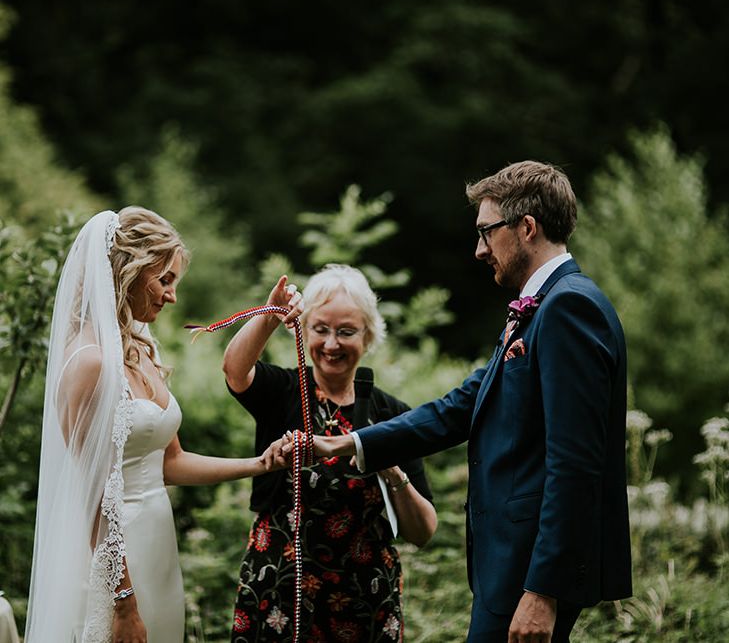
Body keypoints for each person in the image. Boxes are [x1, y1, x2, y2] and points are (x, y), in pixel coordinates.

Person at [290, 161, 632, 642]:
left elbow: (576, 463)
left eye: (486, 232)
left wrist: (543, 591)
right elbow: (463, 405)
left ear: (526, 228)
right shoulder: (540, 307)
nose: (479, 250)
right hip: (511, 563)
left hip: (529, 570)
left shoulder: (567, 308)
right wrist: (353, 443)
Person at [25, 207, 277, 643]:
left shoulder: (143, 349)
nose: (173, 296)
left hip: (157, 546)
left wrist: (260, 464)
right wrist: (123, 603)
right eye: (165, 280)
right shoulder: (89, 363)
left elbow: (170, 462)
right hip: (112, 566)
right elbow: (92, 496)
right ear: (128, 272)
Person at [222, 264, 438, 642]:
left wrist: (390, 468)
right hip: (281, 586)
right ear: (304, 330)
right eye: (320, 329)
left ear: (368, 336)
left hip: (365, 597)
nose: (332, 344)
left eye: (346, 331)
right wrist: (271, 316)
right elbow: (235, 371)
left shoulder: (392, 414)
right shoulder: (284, 390)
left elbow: (423, 531)